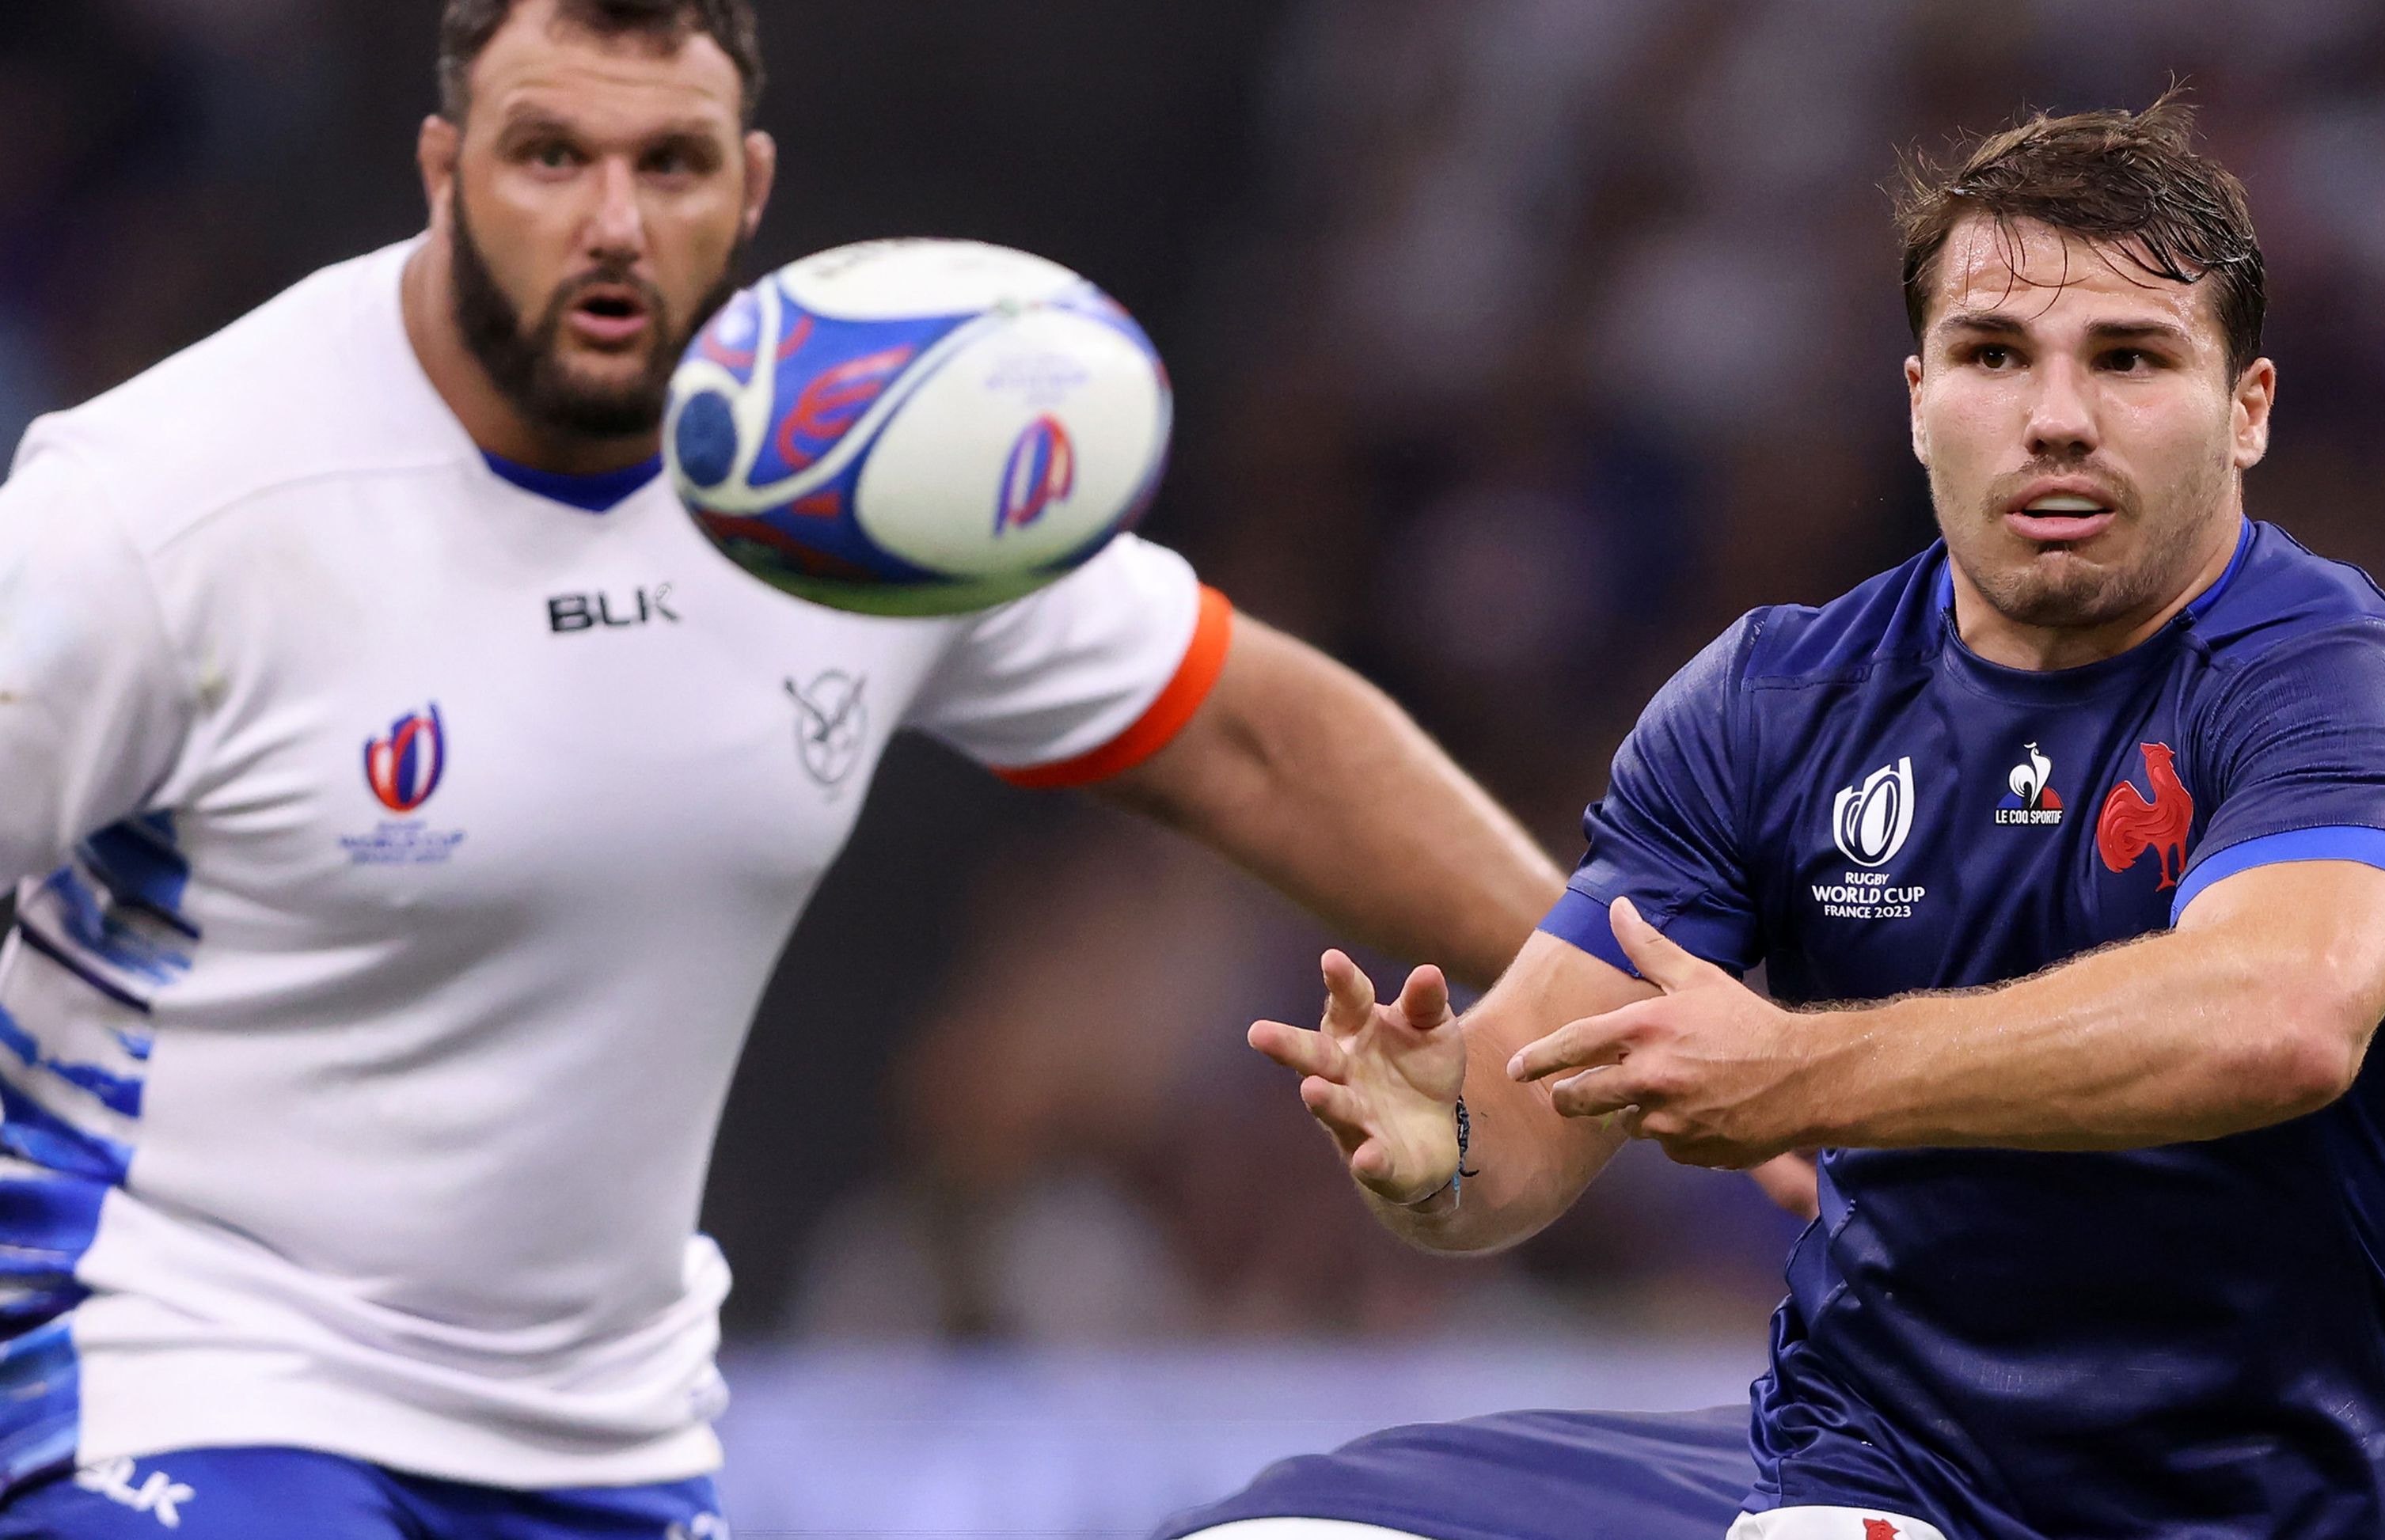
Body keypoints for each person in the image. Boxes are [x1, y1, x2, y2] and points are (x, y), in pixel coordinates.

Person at [0, 1, 1584, 1534]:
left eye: (670, 164)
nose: (613, 220)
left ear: (750, 188)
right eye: (549, 155)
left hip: (603, 1433)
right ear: (441, 172)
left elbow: (1248, 737)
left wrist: (1624, 989)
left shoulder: (861, 479)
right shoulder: (165, 507)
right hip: (176, 1375)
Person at [1175, 97, 2385, 1540]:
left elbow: (2282, 1017)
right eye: (1996, 356)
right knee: (1275, 1533)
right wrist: (1442, 1149)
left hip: (2214, 1516)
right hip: (1853, 1464)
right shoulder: (1773, 697)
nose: (2058, 417)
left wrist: (1799, 1070)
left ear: (2246, 409)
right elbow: (1529, 1115)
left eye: (2129, 358)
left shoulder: (2341, 685)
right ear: (1921, 392)